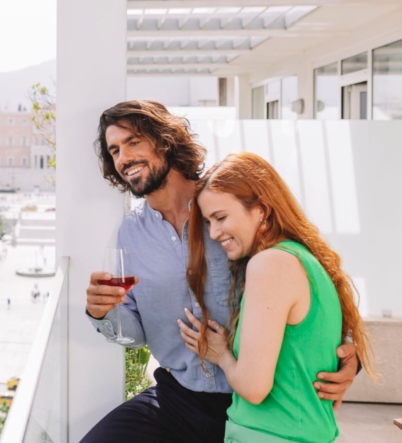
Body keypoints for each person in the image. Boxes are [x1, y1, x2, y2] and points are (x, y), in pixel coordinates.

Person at [83, 100, 359, 443]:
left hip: (257, 402)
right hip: (179, 397)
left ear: (165, 139)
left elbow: (309, 275)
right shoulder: (130, 235)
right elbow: (135, 334)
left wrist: (348, 352)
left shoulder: (228, 205)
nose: (123, 158)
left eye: (133, 142)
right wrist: (103, 313)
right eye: (114, 150)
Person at [178, 152, 374, 442]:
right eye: (208, 222)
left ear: (261, 210)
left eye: (220, 217)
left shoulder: (270, 264)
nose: (214, 232)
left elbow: (254, 387)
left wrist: (220, 354)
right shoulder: (301, 260)